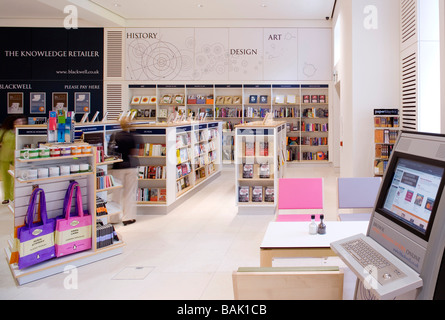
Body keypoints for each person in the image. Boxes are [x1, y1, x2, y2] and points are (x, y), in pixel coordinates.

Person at [110, 117, 139, 226]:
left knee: (116, 193)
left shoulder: (115, 136)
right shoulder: (132, 137)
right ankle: (128, 217)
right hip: (131, 166)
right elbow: (134, 151)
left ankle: (113, 217)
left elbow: (111, 150)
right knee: (129, 193)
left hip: (118, 167)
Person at [0, 115, 26, 204]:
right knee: (6, 178)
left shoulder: (22, 132)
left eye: (21, 122)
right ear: (13, 123)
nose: (20, 123)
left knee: (15, 178)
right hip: (4, 157)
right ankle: (6, 197)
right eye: (18, 122)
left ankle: (13, 197)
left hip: (17, 158)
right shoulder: (4, 132)